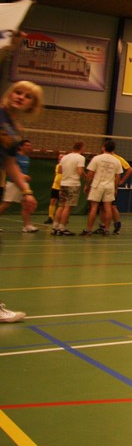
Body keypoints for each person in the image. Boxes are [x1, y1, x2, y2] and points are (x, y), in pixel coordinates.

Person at [0, 80, 44, 322]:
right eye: (18, 92)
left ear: (31, 106)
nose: (20, 97)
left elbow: (9, 163)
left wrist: (26, 192)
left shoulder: (15, 129)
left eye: (27, 96)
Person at [82, 140, 124, 236]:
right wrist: (115, 188)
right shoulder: (116, 161)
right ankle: (106, 229)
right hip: (109, 186)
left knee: (94, 207)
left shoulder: (97, 158)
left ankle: (89, 230)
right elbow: (118, 177)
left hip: (97, 185)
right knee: (108, 207)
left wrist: (87, 185)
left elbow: (90, 174)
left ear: (103, 147)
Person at [0, 139, 40, 232]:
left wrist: (24, 178)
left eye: (30, 145)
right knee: (6, 204)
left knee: (26, 205)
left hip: (24, 184)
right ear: (20, 147)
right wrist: (22, 176)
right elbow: (10, 169)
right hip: (13, 183)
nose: (29, 147)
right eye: (27, 145)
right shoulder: (14, 156)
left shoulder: (27, 158)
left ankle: (27, 226)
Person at [51, 141, 86, 236]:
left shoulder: (65, 157)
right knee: (68, 206)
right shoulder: (80, 158)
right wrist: (86, 177)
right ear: (81, 148)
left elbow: (59, 170)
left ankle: (55, 227)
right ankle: (62, 228)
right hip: (73, 184)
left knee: (61, 205)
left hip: (63, 183)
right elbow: (80, 172)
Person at [105, 149, 132, 234]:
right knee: (103, 207)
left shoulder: (118, 158)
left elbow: (130, 169)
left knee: (112, 206)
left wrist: (121, 181)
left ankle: (117, 225)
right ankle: (102, 226)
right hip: (104, 185)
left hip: (112, 186)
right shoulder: (103, 157)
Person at [45, 153, 63, 225]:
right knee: (52, 201)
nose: (60, 158)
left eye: (61, 157)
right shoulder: (57, 166)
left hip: (62, 187)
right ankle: (50, 217)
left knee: (62, 204)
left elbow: (61, 171)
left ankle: (61, 218)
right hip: (55, 186)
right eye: (59, 157)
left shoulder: (66, 166)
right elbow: (58, 172)